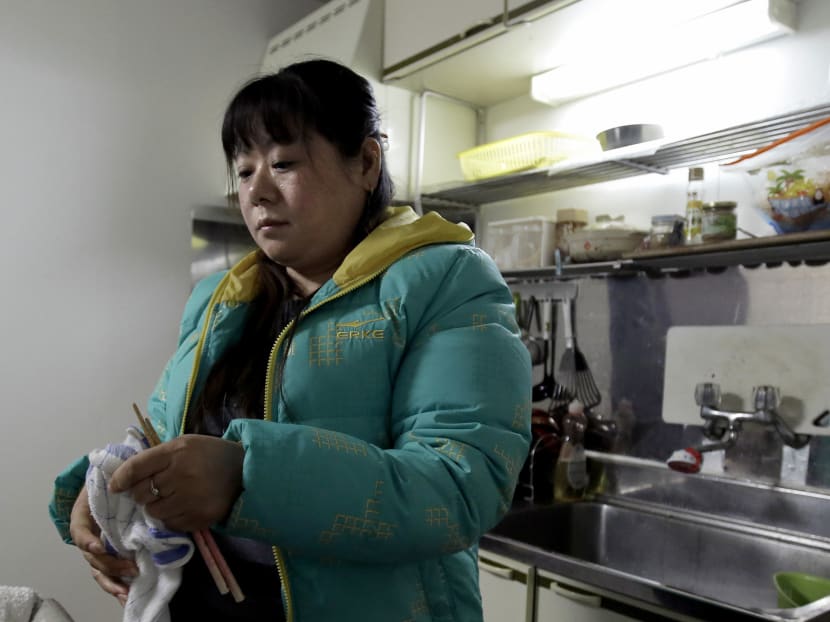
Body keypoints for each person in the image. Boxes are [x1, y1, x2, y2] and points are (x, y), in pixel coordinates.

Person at [49, 58, 531, 621]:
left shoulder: (445, 282)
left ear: (366, 163)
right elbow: (160, 431)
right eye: (244, 169)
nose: (257, 192)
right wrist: (103, 485)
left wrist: (244, 477)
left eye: (283, 163)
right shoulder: (220, 299)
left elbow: (458, 487)